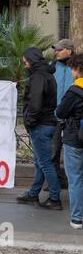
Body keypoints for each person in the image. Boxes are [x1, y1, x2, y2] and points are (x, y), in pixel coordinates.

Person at [16, 47, 62, 210]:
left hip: (40, 125)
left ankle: (55, 198)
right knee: (40, 162)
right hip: (48, 123)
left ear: (32, 60)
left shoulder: (37, 77)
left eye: (26, 61)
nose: (26, 65)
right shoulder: (48, 74)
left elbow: (35, 103)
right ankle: (33, 193)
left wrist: (30, 121)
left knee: (44, 163)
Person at [56, 54, 83, 229]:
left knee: (75, 179)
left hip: (75, 139)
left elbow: (60, 113)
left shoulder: (74, 91)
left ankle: (77, 218)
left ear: (79, 70)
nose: (71, 71)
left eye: (73, 68)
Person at [50, 39, 75, 189]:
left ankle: (74, 182)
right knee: (53, 151)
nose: (56, 52)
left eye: (59, 50)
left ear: (69, 51)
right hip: (55, 116)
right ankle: (56, 182)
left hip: (74, 118)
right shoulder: (52, 67)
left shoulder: (78, 67)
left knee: (74, 152)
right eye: (56, 50)